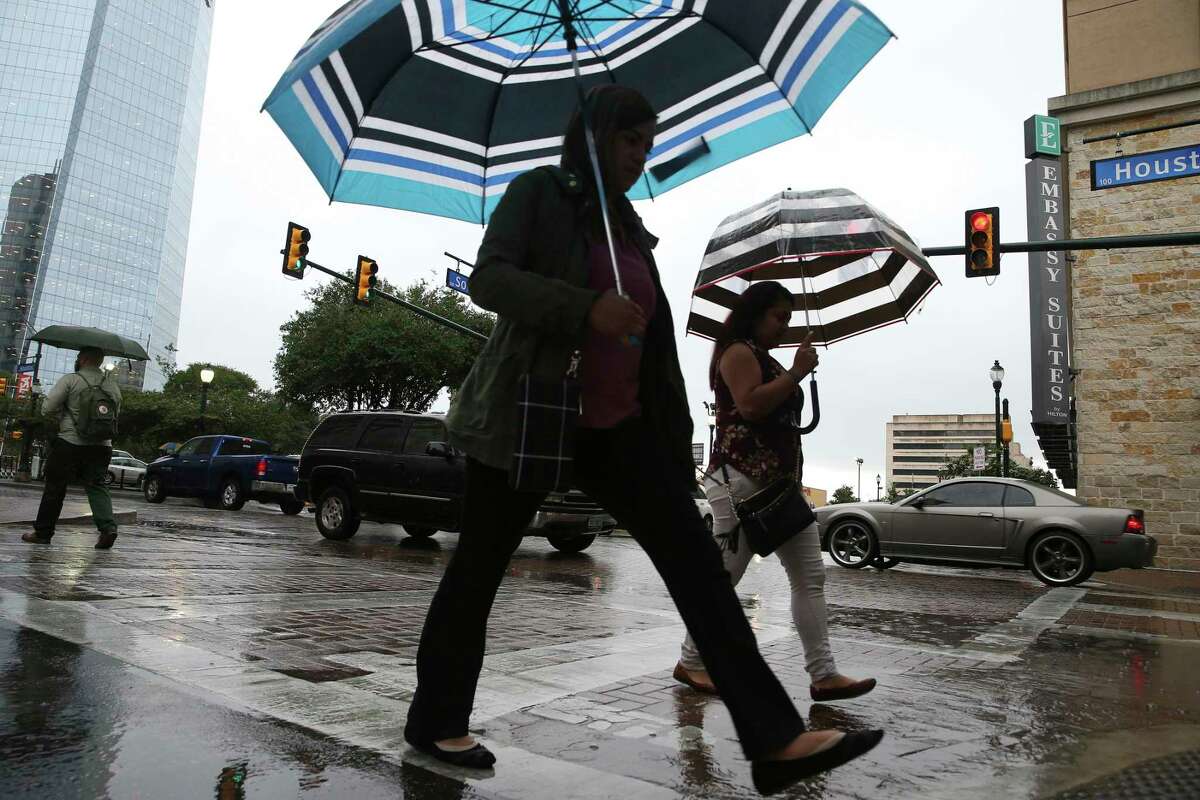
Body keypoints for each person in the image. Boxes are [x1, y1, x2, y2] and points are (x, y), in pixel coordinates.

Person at [402, 85, 882, 793]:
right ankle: (436, 719)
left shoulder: (629, 230)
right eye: (631, 141)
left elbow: (652, 349)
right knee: (477, 571)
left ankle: (775, 740)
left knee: (697, 566)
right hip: (530, 415)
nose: (641, 156)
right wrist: (583, 307)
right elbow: (490, 278)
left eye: (648, 145)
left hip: (618, 429)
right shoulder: (541, 193)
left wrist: (673, 441)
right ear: (594, 137)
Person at [674, 282, 877, 705]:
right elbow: (749, 405)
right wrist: (796, 373)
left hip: (778, 488)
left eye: (789, 317)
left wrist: (794, 373)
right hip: (740, 483)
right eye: (779, 316)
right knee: (724, 579)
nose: (785, 326)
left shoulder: (765, 358)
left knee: (810, 577)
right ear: (755, 313)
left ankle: (823, 675)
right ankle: (691, 661)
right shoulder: (737, 352)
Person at [22, 347, 122, 549]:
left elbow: (47, 408)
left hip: (70, 442)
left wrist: (63, 413)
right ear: (100, 361)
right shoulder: (112, 385)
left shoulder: (71, 380)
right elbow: (115, 413)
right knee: (97, 485)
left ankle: (43, 533)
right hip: (102, 445)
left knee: (55, 487)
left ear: (83, 359)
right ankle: (108, 528)